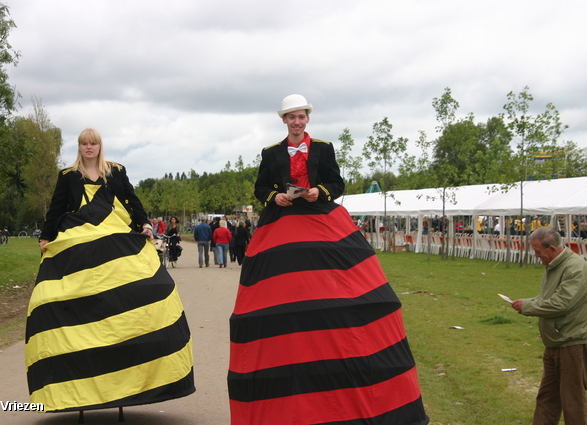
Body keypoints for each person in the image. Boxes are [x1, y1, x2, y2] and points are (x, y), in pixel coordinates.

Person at [228, 95, 429, 425]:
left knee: (342, 278)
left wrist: (318, 192)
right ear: (284, 121)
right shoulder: (270, 153)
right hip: (282, 218)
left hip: (320, 214)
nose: (297, 122)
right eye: (291, 117)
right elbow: (260, 186)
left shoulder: (323, 148)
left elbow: (336, 183)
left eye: (301, 116)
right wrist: (273, 197)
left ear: (307, 118)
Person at [28, 128, 194, 416]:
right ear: (79, 147)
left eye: (93, 143)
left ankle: (135, 371)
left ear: (100, 146)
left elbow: (132, 200)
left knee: (147, 289)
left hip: (116, 238)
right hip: (78, 240)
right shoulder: (68, 176)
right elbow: (56, 210)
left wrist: (144, 224)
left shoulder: (116, 171)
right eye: (84, 143)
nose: (88, 147)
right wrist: (46, 237)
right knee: (65, 300)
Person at [511, 227, 587, 425]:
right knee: (547, 398)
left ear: (552, 249)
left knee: (573, 401)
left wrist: (528, 306)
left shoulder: (575, 268)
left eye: (538, 252)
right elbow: (548, 298)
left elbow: (561, 303)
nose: (536, 256)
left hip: (571, 343)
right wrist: (529, 302)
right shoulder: (554, 266)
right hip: (555, 342)